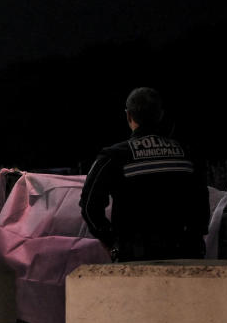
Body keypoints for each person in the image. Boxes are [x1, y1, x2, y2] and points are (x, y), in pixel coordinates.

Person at [80, 87, 209, 262]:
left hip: (136, 258)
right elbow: (201, 202)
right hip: (185, 255)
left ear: (128, 116)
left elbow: (89, 207)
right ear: (160, 115)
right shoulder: (187, 153)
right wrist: (194, 239)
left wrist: (113, 244)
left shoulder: (114, 156)